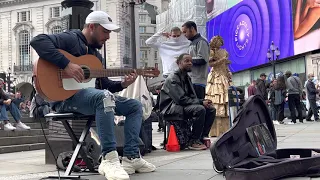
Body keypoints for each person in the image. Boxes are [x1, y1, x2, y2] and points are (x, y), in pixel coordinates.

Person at [30, 11, 155, 180]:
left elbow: (105, 86)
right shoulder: (71, 39)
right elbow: (37, 41)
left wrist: (123, 84)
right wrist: (67, 64)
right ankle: (109, 159)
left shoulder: (96, 57)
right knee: (103, 97)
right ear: (91, 27)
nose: (108, 37)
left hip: (91, 98)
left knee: (134, 106)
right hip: (64, 98)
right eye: (105, 31)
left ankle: (131, 157)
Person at [159, 53, 216, 150]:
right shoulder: (173, 78)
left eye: (191, 61)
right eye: (186, 61)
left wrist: (203, 101)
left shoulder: (186, 77)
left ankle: (201, 137)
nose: (190, 63)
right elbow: (181, 99)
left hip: (181, 105)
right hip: (171, 108)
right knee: (200, 109)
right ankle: (193, 141)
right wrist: (201, 103)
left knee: (211, 109)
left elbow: (191, 97)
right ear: (179, 63)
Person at [205, 35, 231, 137]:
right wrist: (222, 60)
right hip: (215, 76)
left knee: (225, 100)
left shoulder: (224, 51)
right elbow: (211, 64)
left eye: (221, 41)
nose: (220, 43)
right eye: (218, 41)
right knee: (215, 99)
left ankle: (225, 129)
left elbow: (225, 64)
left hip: (224, 75)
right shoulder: (211, 52)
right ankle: (215, 130)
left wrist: (228, 72)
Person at [182, 21, 210, 99]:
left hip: (198, 81)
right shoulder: (192, 43)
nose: (184, 35)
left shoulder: (201, 41)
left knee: (197, 106)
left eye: (185, 32)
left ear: (192, 29)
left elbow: (203, 59)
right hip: (192, 80)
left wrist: (187, 60)